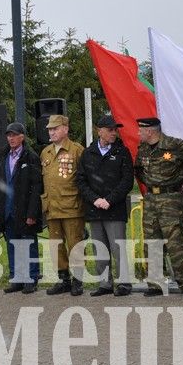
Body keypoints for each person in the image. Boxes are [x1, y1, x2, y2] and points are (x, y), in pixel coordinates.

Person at [134, 117, 183, 298]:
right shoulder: (143, 149)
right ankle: (155, 284)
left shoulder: (174, 145)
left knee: (176, 243)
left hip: (171, 199)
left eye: (141, 130)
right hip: (150, 200)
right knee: (151, 242)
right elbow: (139, 170)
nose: (138, 133)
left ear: (150, 131)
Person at [76, 115, 135, 297]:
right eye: (110, 130)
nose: (113, 133)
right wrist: (95, 199)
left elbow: (127, 180)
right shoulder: (88, 153)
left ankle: (124, 283)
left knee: (118, 248)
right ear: (99, 130)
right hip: (95, 209)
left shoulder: (121, 152)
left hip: (114, 208)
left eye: (115, 130)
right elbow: (81, 180)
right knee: (99, 248)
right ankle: (105, 283)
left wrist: (109, 199)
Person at [40, 115, 86, 296]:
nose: (51, 132)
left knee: (75, 245)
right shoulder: (46, 152)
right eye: (50, 130)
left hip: (71, 206)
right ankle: (63, 279)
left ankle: (78, 280)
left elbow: (83, 178)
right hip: (52, 207)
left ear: (65, 129)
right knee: (56, 245)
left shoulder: (77, 150)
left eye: (55, 129)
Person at [0, 122, 43, 295]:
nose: (11, 138)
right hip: (8, 209)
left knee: (28, 244)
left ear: (22, 137)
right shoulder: (3, 156)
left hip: (24, 210)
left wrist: (32, 213)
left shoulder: (30, 157)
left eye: (14, 135)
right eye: (9, 135)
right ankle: (16, 278)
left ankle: (31, 279)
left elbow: (36, 188)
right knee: (12, 245)